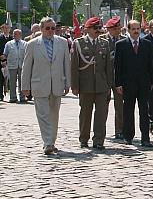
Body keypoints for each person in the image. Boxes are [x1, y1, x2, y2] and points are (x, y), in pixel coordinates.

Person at [21, 17, 70, 155]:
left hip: (57, 84)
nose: (50, 31)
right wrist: (25, 86)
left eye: (53, 28)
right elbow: (27, 67)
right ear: (41, 29)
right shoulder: (32, 44)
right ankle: (48, 142)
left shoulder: (63, 42)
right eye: (47, 28)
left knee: (54, 115)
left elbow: (66, 63)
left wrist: (68, 83)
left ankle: (51, 141)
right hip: (39, 84)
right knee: (43, 115)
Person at [71, 17, 113, 150]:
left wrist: (109, 85)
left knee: (101, 114)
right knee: (85, 113)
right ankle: (84, 139)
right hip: (85, 84)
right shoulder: (79, 43)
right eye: (95, 28)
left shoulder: (105, 43)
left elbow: (109, 67)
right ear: (87, 29)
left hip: (101, 84)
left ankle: (99, 140)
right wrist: (75, 86)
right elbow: (74, 66)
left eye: (99, 28)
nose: (98, 30)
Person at [114, 20, 153, 147]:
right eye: (133, 29)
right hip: (128, 84)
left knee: (144, 111)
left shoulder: (147, 44)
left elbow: (151, 65)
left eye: (138, 28)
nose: (136, 31)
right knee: (128, 110)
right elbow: (118, 66)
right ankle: (128, 136)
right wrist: (118, 84)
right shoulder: (121, 45)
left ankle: (145, 138)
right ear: (128, 30)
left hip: (144, 84)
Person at [101, 17, 125, 138]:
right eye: (115, 28)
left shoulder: (124, 40)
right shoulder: (101, 40)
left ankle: (120, 130)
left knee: (120, 106)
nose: (118, 30)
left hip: (119, 78)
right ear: (109, 29)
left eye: (119, 28)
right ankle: (101, 130)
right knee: (103, 106)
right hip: (105, 77)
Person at [3, 28, 26, 103]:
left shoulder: (25, 44)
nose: (15, 35)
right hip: (12, 65)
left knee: (22, 82)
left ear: (20, 35)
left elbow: (27, 55)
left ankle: (22, 97)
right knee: (12, 82)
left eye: (17, 34)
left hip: (22, 65)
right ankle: (13, 97)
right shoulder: (8, 44)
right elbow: (5, 54)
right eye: (14, 34)